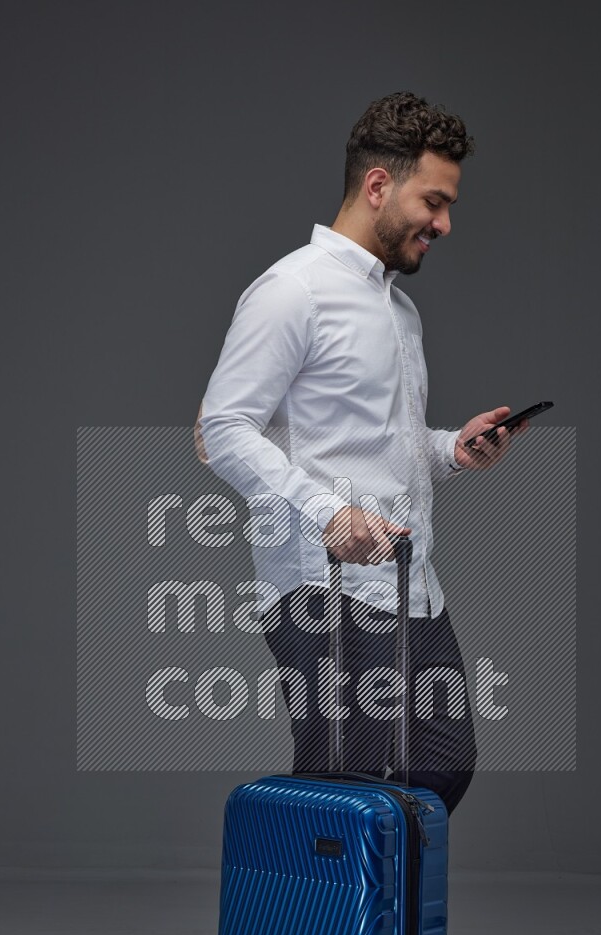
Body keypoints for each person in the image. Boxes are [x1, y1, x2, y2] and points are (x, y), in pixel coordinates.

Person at [196, 90, 527, 820]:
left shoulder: (397, 309)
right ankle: (316, 933)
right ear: (379, 185)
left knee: (440, 762)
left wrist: (451, 449)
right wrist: (326, 512)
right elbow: (221, 428)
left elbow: (381, 444)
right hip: (326, 586)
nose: (444, 223)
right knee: (343, 784)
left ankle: (378, 930)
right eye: (434, 201)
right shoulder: (292, 292)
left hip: (410, 580)